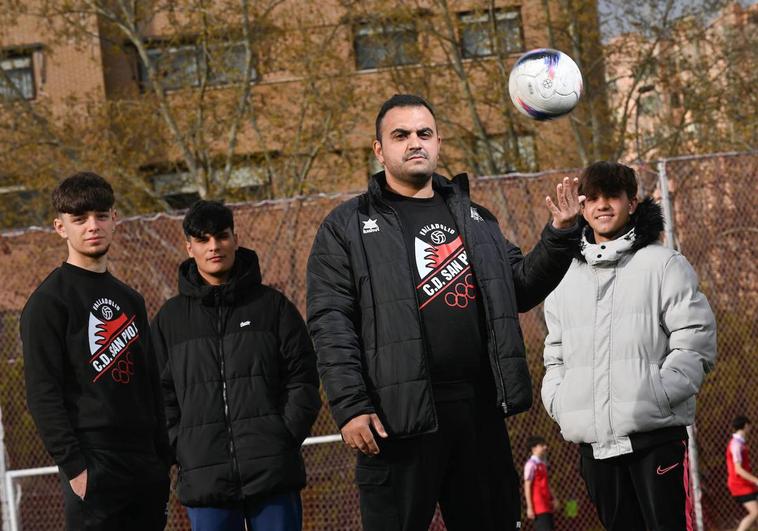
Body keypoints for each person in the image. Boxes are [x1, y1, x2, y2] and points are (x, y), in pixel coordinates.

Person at [306, 94, 583, 531]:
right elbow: (331, 323)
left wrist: (560, 235)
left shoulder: (476, 217)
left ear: (438, 142)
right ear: (379, 150)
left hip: (477, 411)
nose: (415, 142)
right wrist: (351, 405)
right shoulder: (345, 227)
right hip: (395, 417)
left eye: (424, 133)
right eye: (401, 135)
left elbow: (518, 288)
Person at [541, 161, 717, 531]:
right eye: (593, 198)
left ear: (632, 202)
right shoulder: (563, 277)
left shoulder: (664, 264)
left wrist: (659, 394)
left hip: (654, 439)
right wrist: (559, 400)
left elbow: (695, 340)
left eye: (613, 196)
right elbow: (554, 352)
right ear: (583, 207)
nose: (603, 205)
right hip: (594, 445)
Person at [151, 200, 320, 531]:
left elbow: (303, 379)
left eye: (221, 236)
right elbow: (158, 395)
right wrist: (183, 447)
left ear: (235, 238)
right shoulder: (169, 321)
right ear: (189, 247)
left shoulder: (273, 308)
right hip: (205, 477)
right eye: (202, 239)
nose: (214, 247)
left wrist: (282, 436)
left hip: (272, 471)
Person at [20, 172, 171, 530]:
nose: (93, 226)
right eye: (80, 219)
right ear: (60, 228)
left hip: (145, 463)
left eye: (101, 216)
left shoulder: (130, 298)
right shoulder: (48, 302)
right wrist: (75, 468)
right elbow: (43, 394)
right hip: (94, 460)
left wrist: (162, 457)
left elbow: (150, 383)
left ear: (114, 219)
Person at [726, 416, 758, 531]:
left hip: (746, 483)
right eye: (750, 425)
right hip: (739, 485)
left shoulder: (740, 442)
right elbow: (738, 469)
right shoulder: (736, 444)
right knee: (755, 513)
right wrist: (756, 480)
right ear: (746, 425)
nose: (751, 427)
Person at [524, 436, 559, 531]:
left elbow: (546, 484)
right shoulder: (530, 465)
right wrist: (530, 507)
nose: (545, 447)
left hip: (547, 505)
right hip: (538, 508)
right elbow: (527, 487)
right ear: (534, 448)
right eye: (542, 445)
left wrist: (554, 498)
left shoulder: (542, 464)